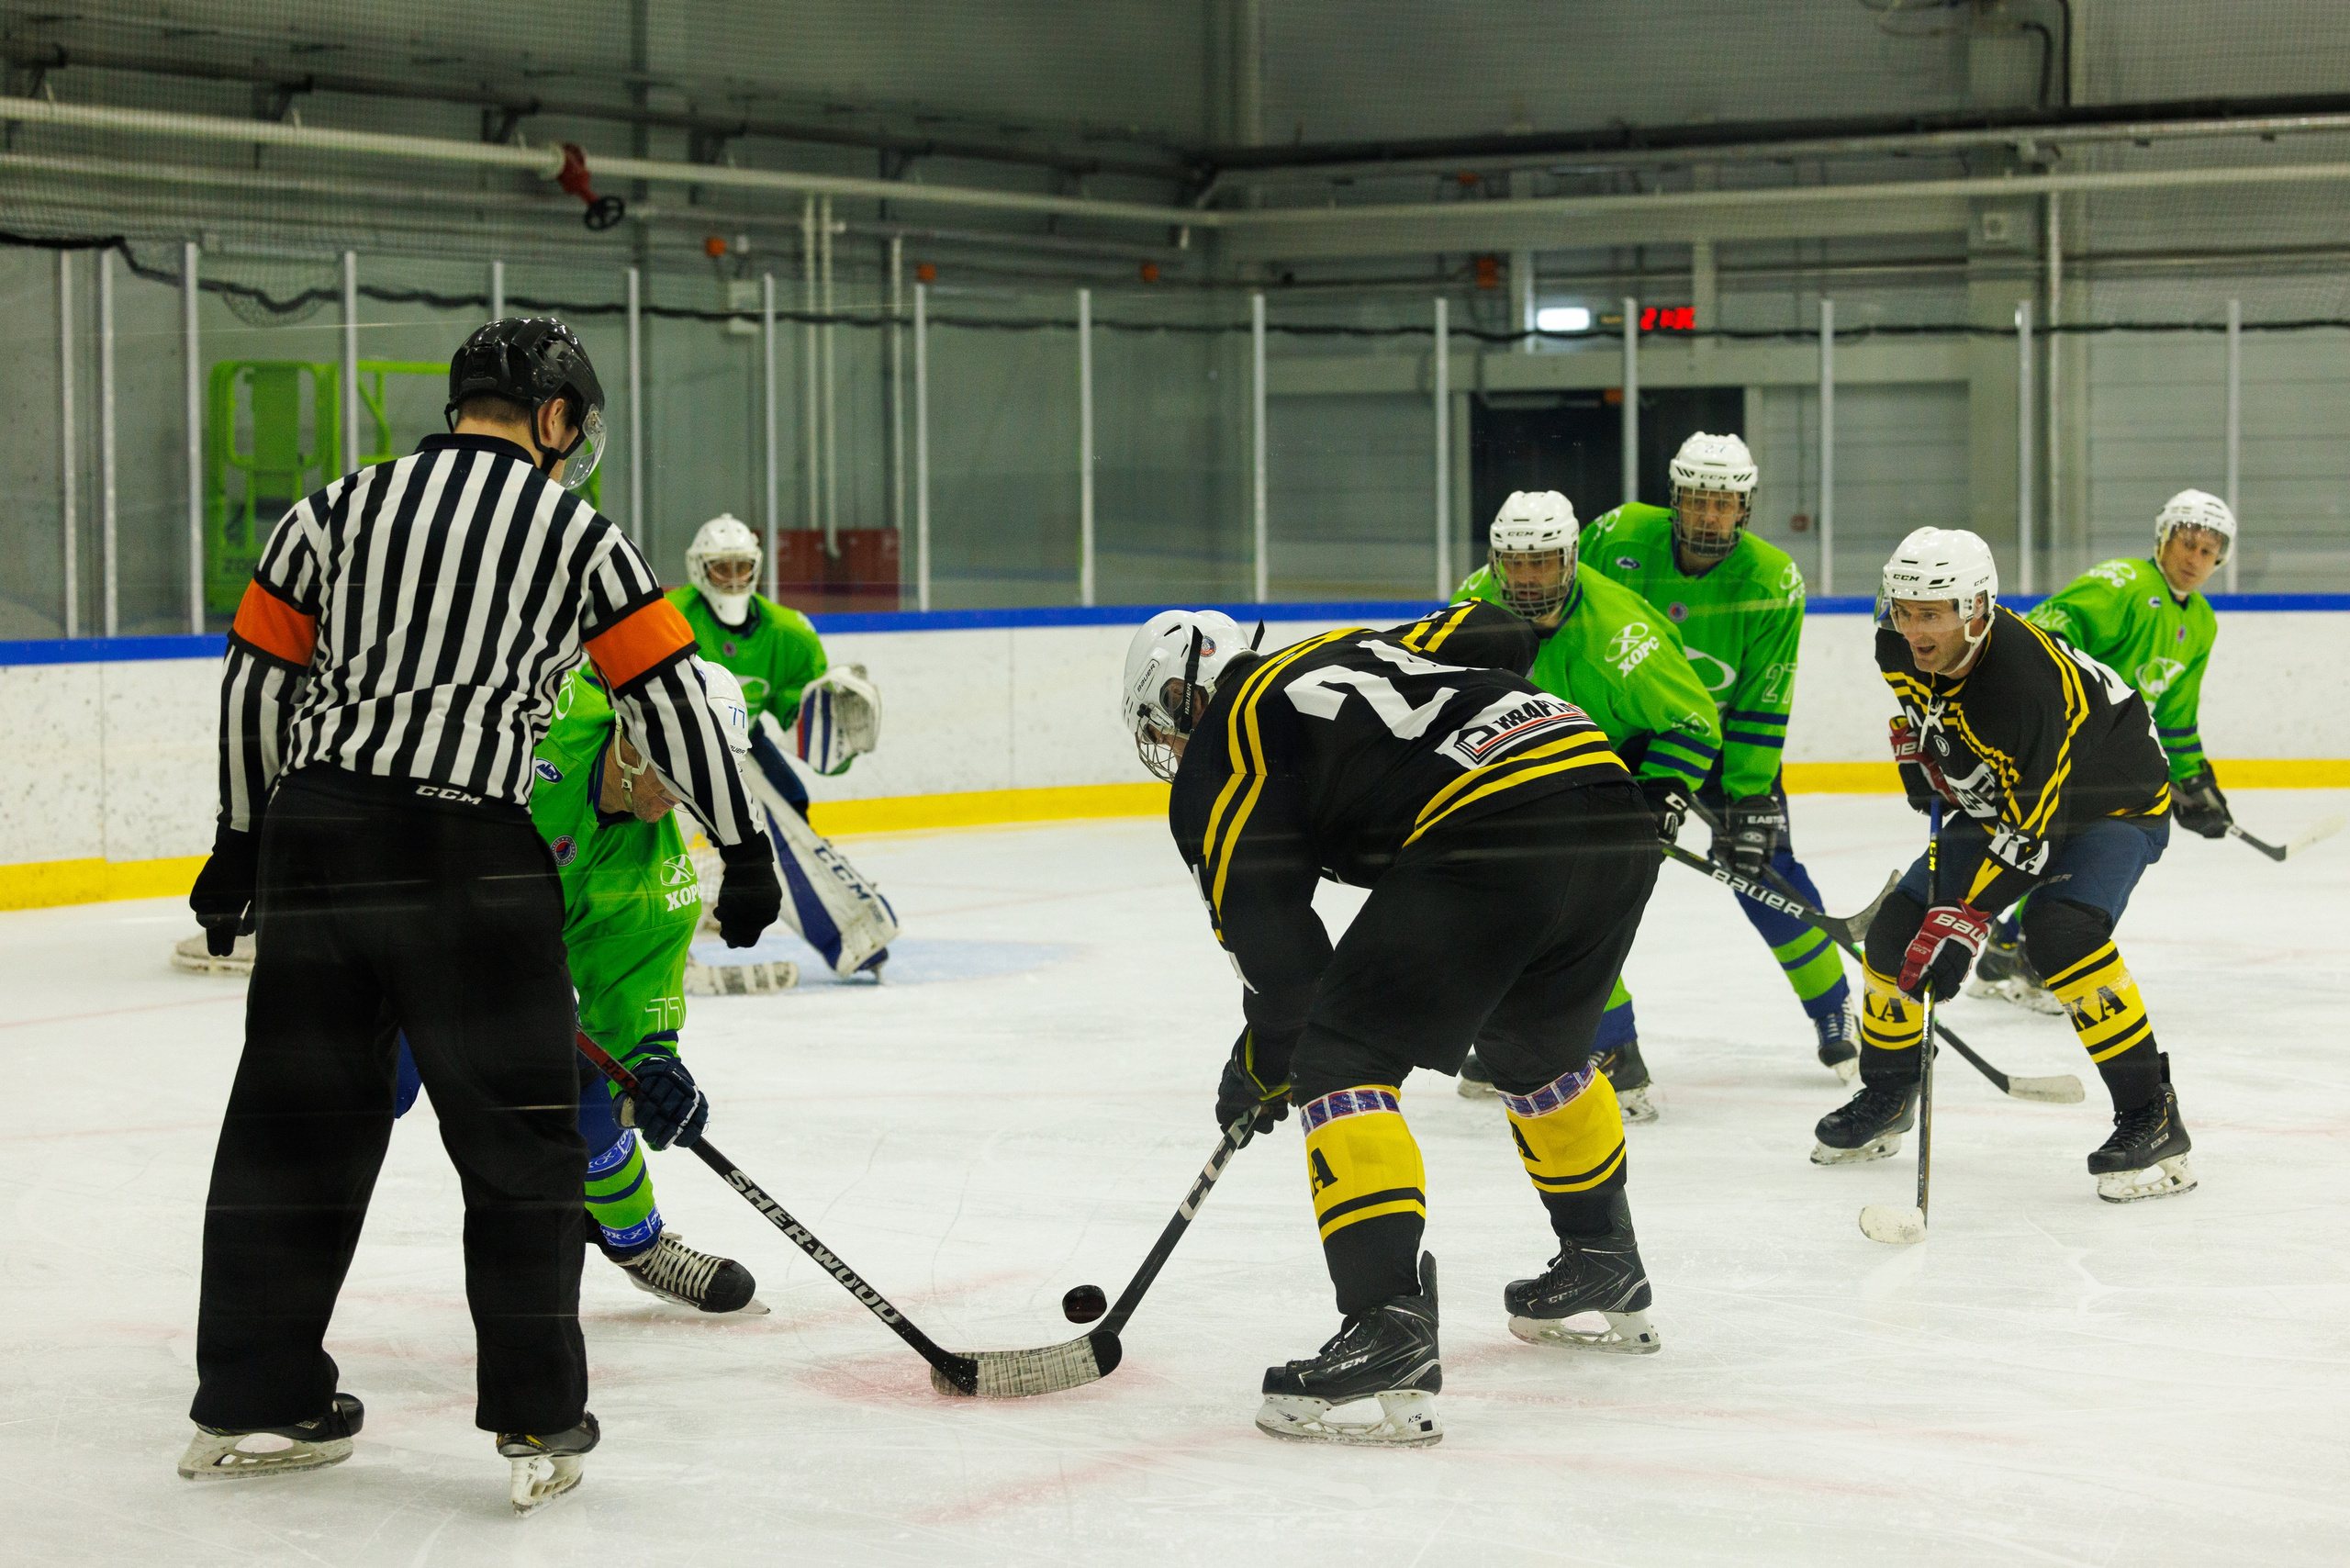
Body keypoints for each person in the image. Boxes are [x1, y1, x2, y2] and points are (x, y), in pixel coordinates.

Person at [179, 318, 781, 1514]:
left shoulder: (328, 511)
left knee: (290, 1133)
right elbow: (664, 697)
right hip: (471, 850)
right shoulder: (577, 533)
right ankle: (536, 1419)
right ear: (553, 417)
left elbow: (256, 682)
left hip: (321, 840)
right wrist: (745, 844)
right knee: (523, 1147)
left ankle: (253, 1395)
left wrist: (239, 840)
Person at [1124, 599, 1661, 1447]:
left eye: (1167, 729)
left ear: (1186, 696)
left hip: (1493, 827)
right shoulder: (1350, 644)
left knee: (1340, 1061)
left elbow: (1283, 966)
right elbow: (1497, 628)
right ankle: (1604, 1258)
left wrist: (1263, 1061)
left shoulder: (1224, 755)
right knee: (1532, 1046)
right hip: (1607, 797)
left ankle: (1388, 1327)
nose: (1174, 752)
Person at [1815, 527, 2194, 1205]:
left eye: (1932, 614)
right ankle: (1890, 1093)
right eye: (1903, 610)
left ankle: (2152, 1114)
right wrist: (1929, 753)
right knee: (1896, 930)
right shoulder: (1895, 643)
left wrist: (1964, 923)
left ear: (1978, 611)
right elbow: (1934, 711)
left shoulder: (2024, 687)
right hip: (2016, 795)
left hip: (2114, 800)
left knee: (2061, 932)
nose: (1914, 631)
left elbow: (2030, 837)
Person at [391, 658, 764, 1315]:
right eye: (677, 771)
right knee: (359, 1092)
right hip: (398, 928)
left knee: (588, 1097)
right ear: (633, 732)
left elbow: (628, 1020)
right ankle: (274, 1282)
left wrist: (653, 1072)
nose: (681, 796)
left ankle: (639, 1244)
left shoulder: (659, 882)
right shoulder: (541, 715)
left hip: (507, 972)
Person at [1575, 431, 1861, 1072]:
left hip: (1720, 738)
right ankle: (1594, 1035)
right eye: (1697, 500)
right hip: (1626, 733)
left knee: (1766, 870)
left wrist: (1751, 796)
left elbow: (1765, 693)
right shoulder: (1617, 538)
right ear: (1674, 498)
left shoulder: (1773, 579)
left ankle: (1833, 1008)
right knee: (1585, 882)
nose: (1709, 516)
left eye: (1724, 503)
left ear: (1745, 507)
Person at [1451, 490, 1725, 1120]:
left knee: (1566, 914)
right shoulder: (1472, 609)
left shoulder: (1621, 633)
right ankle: (1513, 1038)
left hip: (1614, 764)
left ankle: (1614, 1049)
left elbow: (1693, 720)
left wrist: (1661, 793)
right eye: (1514, 563)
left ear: (1571, 558)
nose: (1526, 577)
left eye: (1542, 562)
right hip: (1531, 765)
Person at [1964, 490, 2237, 1010]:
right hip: (2059, 741)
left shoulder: (2201, 620)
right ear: (2163, 539)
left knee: (2065, 848)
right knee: (2072, 848)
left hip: (2109, 752)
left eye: (2208, 551)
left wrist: (2196, 779)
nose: (2195, 558)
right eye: (2187, 543)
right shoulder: (2124, 583)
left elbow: (2174, 714)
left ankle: (2003, 954)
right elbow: (2044, 629)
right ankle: (2032, 960)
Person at [671, 514, 898, 978]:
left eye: (741, 567)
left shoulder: (788, 632)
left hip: (740, 742)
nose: (733, 578)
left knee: (790, 812)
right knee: (653, 834)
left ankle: (854, 936)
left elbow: (802, 719)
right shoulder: (669, 617)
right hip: (668, 745)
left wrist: (830, 727)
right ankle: (647, 937)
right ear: (699, 569)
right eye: (721, 567)